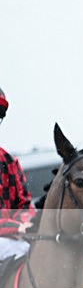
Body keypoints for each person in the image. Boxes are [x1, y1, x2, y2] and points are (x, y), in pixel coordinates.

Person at [0, 86, 36, 263]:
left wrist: (25, 223)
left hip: (14, 240)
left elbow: (24, 204)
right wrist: (16, 227)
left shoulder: (9, 162)